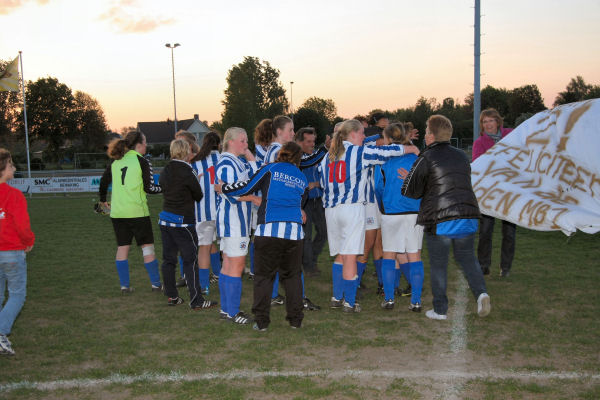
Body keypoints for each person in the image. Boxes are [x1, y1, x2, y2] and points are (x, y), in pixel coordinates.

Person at [319, 119, 419, 313]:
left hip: (330, 210)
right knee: (350, 256)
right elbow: (385, 152)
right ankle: (349, 301)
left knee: (341, 254)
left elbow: (323, 181)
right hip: (351, 208)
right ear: (353, 134)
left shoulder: (327, 156)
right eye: (362, 133)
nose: (364, 137)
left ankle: (336, 296)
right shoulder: (357, 152)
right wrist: (410, 150)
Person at [402, 114, 491, 320]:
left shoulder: (426, 156)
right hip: (467, 213)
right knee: (468, 258)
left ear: (431, 136)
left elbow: (410, 190)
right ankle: (482, 293)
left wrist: (409, 180)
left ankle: (440, 309)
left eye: (426, 131)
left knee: (439, 264)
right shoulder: (461, 155)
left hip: (440, 218)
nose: (424, 135)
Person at [220, 142, 308, 331]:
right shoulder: (302, 177)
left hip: (268, 231)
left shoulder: (270, 169)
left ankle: (262, 322)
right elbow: (302, 203)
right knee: (292, 277)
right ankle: (295, 320)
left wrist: (224, 188)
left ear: (281, 154)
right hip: (294, 233)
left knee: (263, 278)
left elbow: (246, 187)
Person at [99, 131, 162, 293]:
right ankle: (156, 284)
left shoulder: (116, 160)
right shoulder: (142, 161)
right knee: (147, 248)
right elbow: (150, 188)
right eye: (145, 142)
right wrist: (167, 188)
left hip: (118, 213)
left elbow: (104, 181)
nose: (147, 145)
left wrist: (103, 199)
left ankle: (124, 286)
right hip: (137, 212)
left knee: (122, 247)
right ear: (139, 145)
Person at [158, 139, 217, 309]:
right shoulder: (187, 170)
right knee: (190, 260)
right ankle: (196, 300)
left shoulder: (166, 169)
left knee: (168, 260)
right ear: (186, 152)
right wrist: (195, 182)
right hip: (182, 222)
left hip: (165, 219)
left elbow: (163, 187)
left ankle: (172, 296)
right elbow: (198, 195)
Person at [374, 123, 424, 312]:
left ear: (388, 139)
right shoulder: (418, 159)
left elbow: (378, 187)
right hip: (413, 212)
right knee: (414, 255)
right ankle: (416, 301)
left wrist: (383, 207)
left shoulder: (384, 161)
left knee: (389, 253)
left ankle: (389, 299)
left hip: (391, 213)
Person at [216, 127, 257, 325]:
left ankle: (226, 310)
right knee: (237, 266)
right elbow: (233, 193)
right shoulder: (226, 163)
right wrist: (254, 199)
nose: (246, 144)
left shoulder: (237, 162)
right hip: (233, 222)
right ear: (230, 141)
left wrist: (248, 154)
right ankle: (233, 312)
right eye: (242, 141)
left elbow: (256, 176)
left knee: (228, 264)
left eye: (247, 141)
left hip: (236, 222)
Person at [472, 108, 516, 277]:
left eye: (491, 120)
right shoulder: (479, 143)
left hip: (510, 193)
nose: (488, 124)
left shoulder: (511, 135)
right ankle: (483, 265)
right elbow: (478, 165)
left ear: (498, 121)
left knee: (509, 233)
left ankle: (506, 267)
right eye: (484, 122)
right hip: (489, 193)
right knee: (485, 231)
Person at [0, 149, 35, 356]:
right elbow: (22, 226)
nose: (14, 168)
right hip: (12, 252)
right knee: (17, 295)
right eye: (11, 165)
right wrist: (29, 241)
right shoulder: (13, 195)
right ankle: (1, 332)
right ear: (3, 169)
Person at [191, 131, 222, 294]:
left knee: (204, 247)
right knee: (218, 246)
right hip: (224, 212)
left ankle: (204, 286)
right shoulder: (225, 159)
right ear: (220, 144)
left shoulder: (195, 163)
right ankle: (220, 276)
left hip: (203, 212)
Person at [295, 127, 326, 278]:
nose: (312, 144)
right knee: (306, 236)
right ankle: (308, 266)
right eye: (308, 141)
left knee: (324, 232)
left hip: (318, 199)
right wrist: (308, 185)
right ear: (299, 142)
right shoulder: (296, 157)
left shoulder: (315, 155)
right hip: (304, 202)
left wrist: (318, 183)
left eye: (314, 141)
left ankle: (310, 259)